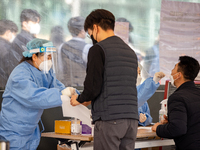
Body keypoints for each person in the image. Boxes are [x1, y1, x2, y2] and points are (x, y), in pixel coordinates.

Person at [70, 9, 138, 150]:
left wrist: (79, 99)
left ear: (95, 27)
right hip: (131, 120)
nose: (92, 38)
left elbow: (93, 87)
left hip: (110, 119)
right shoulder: (130, 52)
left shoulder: (98, 49)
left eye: (90, 34)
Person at [0, 38, 76, 150]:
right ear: (34, 57)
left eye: (51, 57)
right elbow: (35, 97)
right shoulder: (19, 75)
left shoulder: (44, 72)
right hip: (14, 131)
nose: (49, 60)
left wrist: (74, 94)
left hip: (31, 130)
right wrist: (62, 94)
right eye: (47, 57)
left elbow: (56, 86)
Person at [152, 56, 200, 149]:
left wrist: (158, 128)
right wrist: (172, 122)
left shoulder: (177, 97)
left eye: (173, 68)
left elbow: (177, 129)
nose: (171, 72)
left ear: (178, 75)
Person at [57, 16, 92, 86]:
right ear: (82, 31)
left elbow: (60, 69)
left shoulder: (62, 47)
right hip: (83, 87)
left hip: (67, 87)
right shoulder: (88, 48)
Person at [0, 19, 18, 90]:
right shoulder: (6, 48)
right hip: (3, 86)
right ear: (8, 32)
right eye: (14, 34)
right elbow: (10, 69)